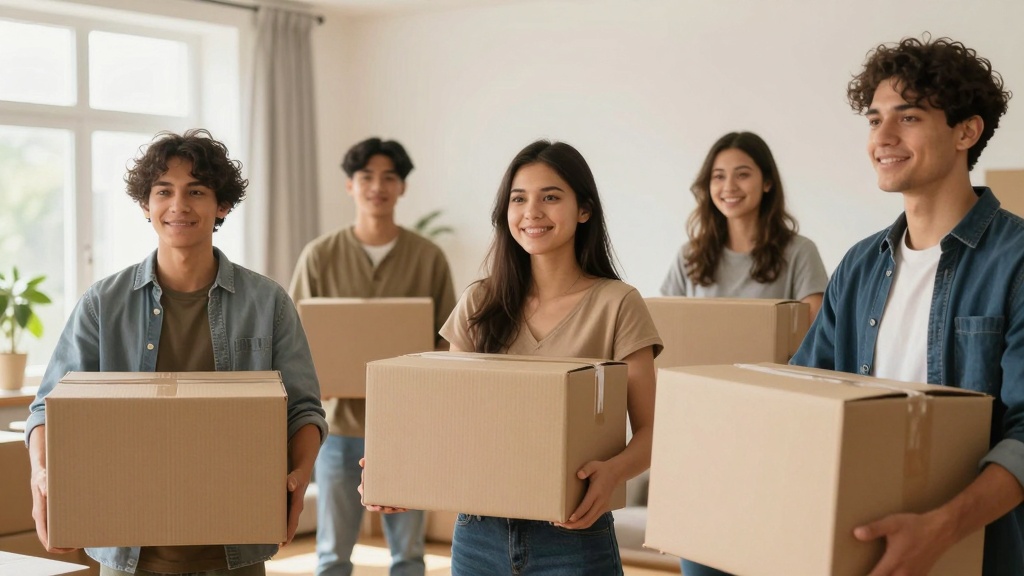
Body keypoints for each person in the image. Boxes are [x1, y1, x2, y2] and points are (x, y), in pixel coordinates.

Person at [25, 129, 327, 576]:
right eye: (163, 191)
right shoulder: (103, 303)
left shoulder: (268, 302)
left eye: (196, 191)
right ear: (146, 206)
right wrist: (43, 477)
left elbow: (303, 411)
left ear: (221, 205)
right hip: (129, 550)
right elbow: (46, 409)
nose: (178, 205)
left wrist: (298, 480)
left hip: (234, 548)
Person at [366, 139, 663, 575]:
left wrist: (613, 473)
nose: (532, 212)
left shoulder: (617, 304)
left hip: (574, 537)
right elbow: (446, 421)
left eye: (550, 197)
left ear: (584, 210)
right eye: (518, 199)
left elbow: (654, 431)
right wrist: (398, 469)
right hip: (477, 536)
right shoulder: (478, 302)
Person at [792, 36, 1022, 576]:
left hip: (976, 550)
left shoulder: (1017, 263)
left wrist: (939, 530)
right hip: (859, 537)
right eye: (874, 120)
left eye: (909, 117)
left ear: (966, 131)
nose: (883, 138)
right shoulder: (858, 266)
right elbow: (805, 393)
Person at [289, 137, 456, 576]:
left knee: (408, 556)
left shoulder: (429, 257)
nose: (377, 187)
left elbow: (450, 341)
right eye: (366, 177)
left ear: (402, 187)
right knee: (332, 554)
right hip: (337, 425)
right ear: (350, 185)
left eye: (389, 178)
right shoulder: (319, 256)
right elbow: (295, 340)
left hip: (406, 424)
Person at [661, 131, 828, 321]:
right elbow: (666, 328)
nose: (729, 186)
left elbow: (816, 337)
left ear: (767, 182)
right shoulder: (689, 256)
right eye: (719, 176)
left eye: (742, 175)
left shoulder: (800, 252)